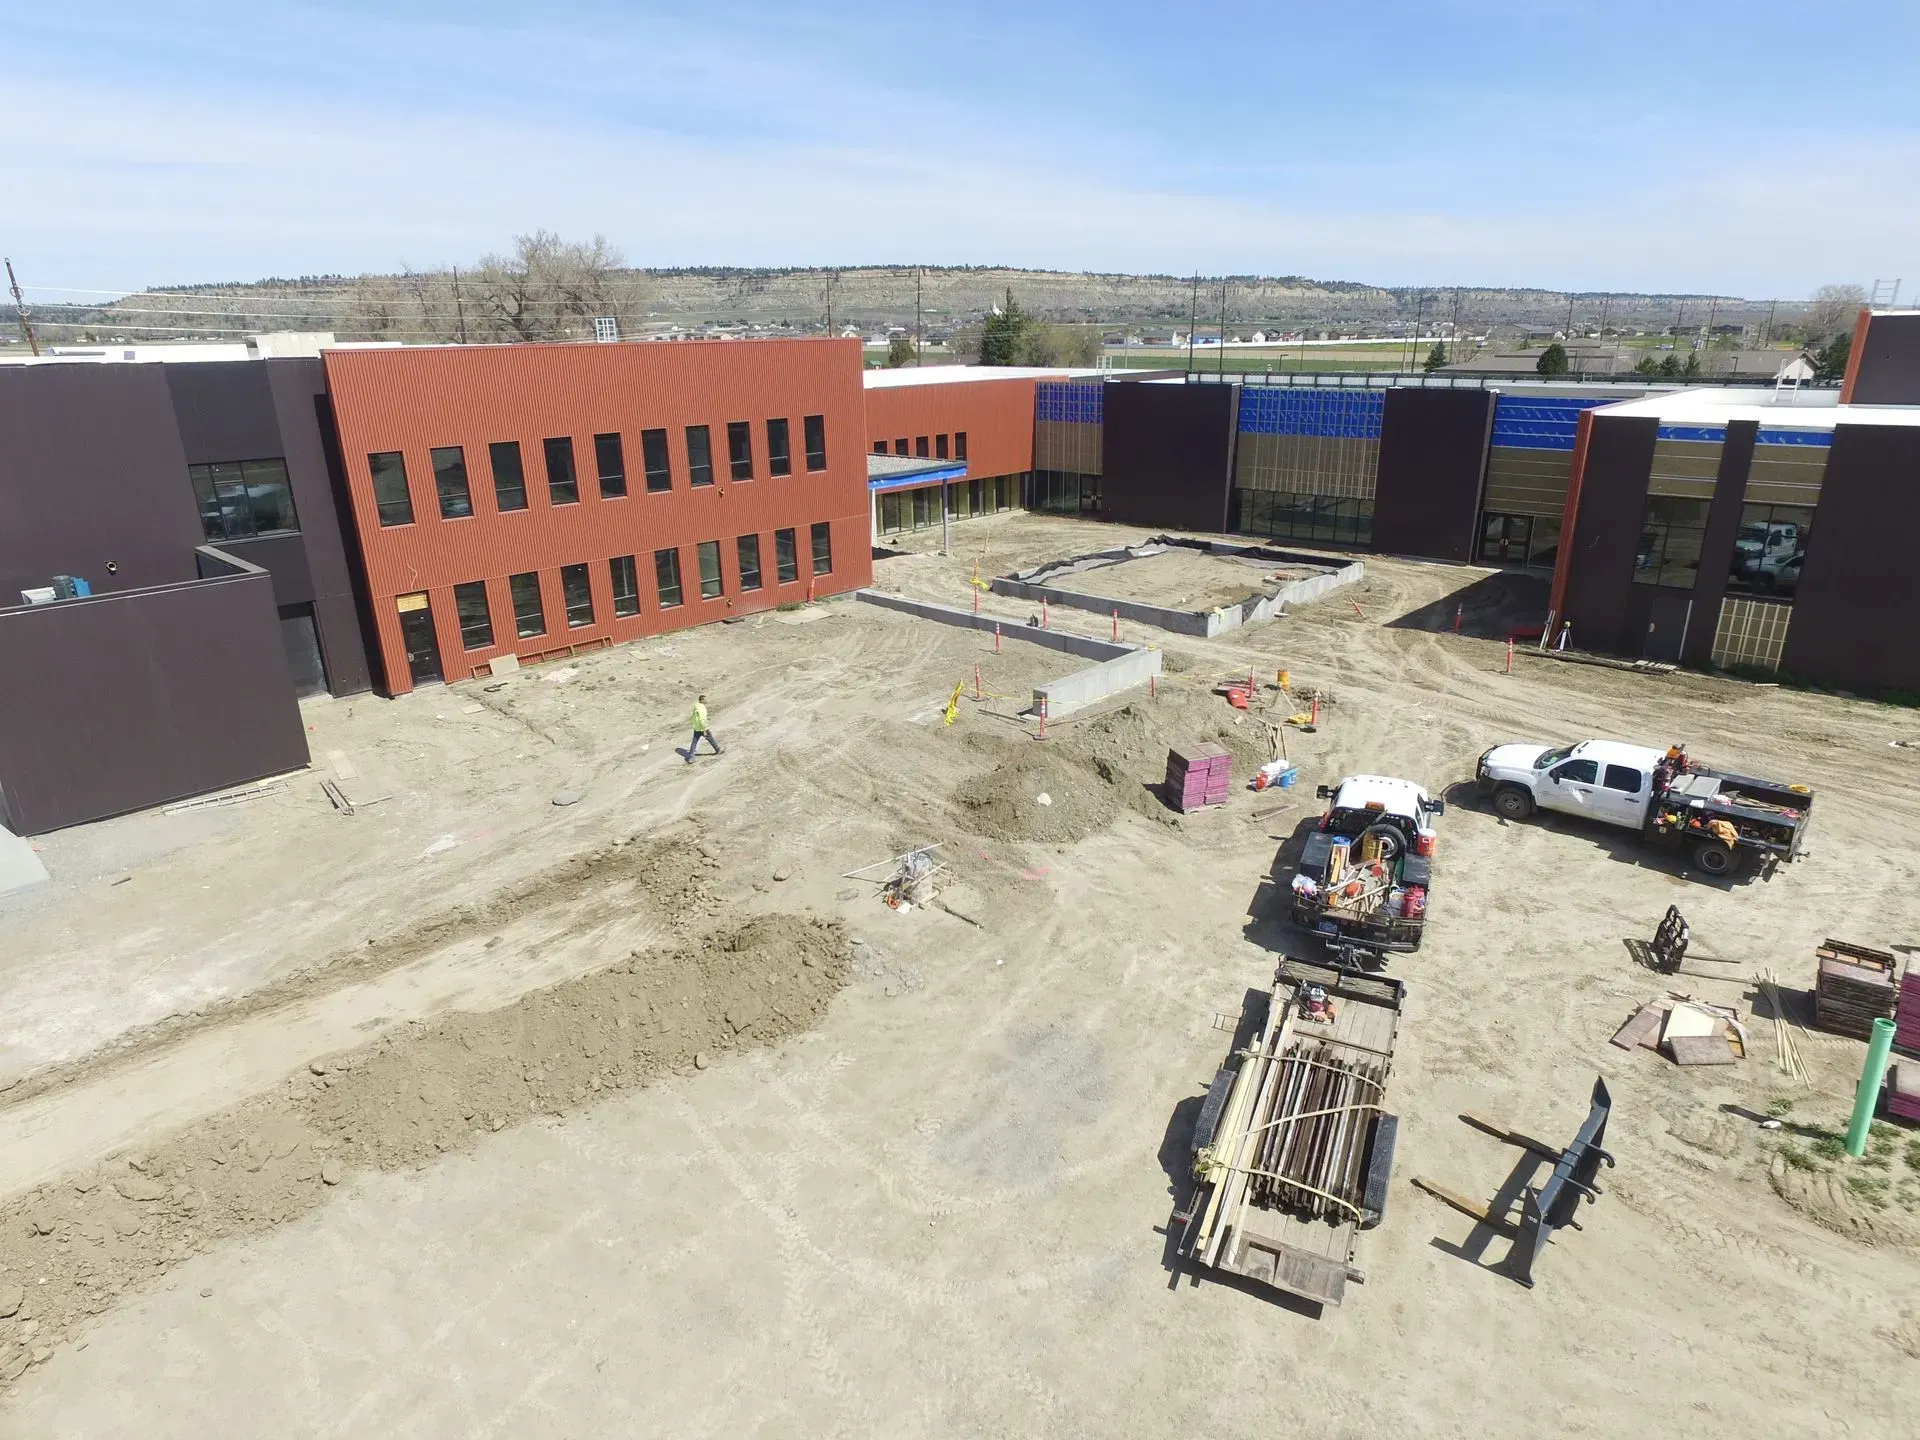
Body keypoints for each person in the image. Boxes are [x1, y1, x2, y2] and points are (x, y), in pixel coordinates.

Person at [686, 694, 723, 762]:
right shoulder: (701, 708)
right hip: (702, 727)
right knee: (710, 738)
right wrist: (704, 729)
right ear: (702, 700)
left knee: (694, 742)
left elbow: (695, 717)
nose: (707, 700)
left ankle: (691, 757)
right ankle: (718, 750)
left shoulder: (697, 706)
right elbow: (702, 719)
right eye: (705, 699)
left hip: (697, 727)